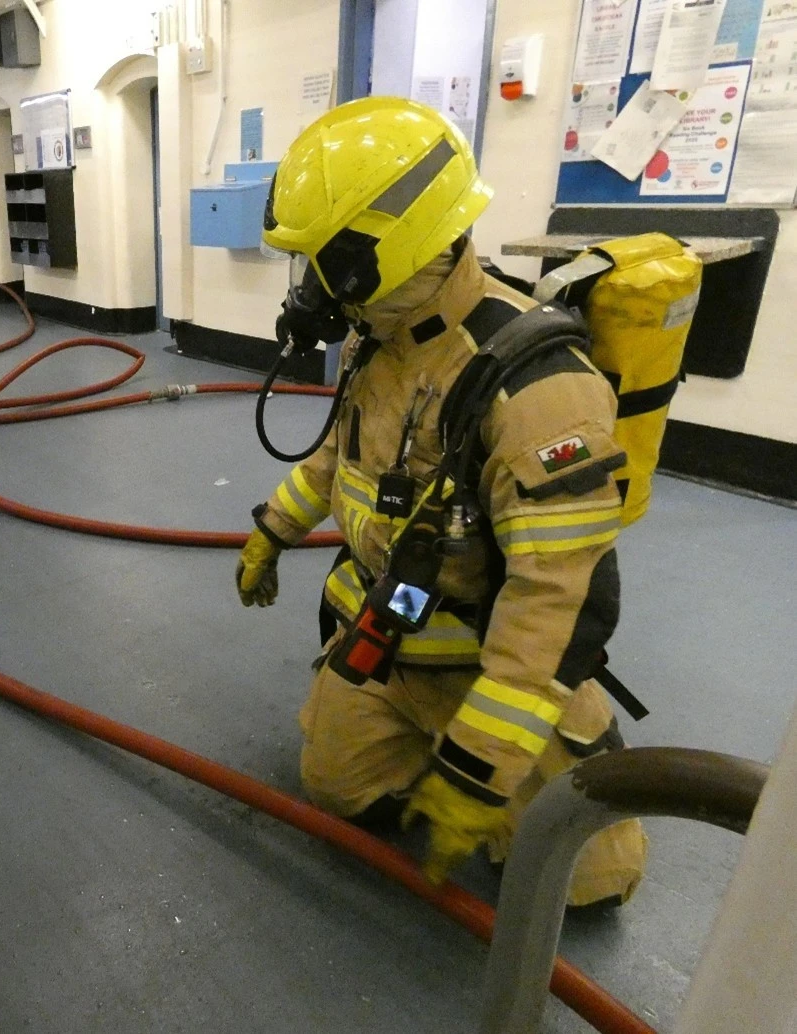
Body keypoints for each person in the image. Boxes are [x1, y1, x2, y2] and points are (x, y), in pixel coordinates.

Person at [235, 98, 646, 906]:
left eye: (320, 263)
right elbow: (336, 456)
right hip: (390, 639)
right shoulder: (378, 339)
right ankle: (415, 739)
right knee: (336, 789)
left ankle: (526, 745)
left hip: (492, 659)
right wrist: (272, 531)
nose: (309, 289)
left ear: (377, 255)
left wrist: (478, 763)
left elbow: (555, 605)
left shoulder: (540, 389)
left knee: (591, 880)